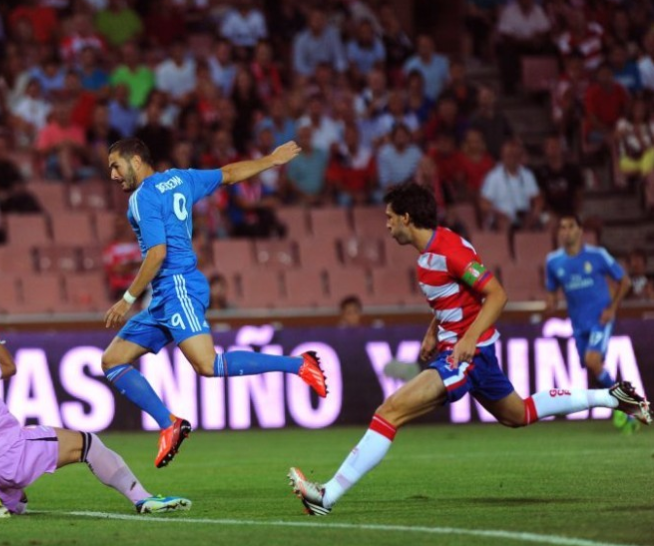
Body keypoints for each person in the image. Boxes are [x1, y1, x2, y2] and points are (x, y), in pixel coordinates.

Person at [287, 183, 650, 516]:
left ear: (407, 218)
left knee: (390, 411)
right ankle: (611, 397)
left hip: (467, 356)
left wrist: (468, 339)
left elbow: (498, 295)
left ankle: (327, 495)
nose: (387, 225)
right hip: (467, 352)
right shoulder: (430, 254)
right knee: (518, 414)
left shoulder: (448, 250)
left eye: (389, 217)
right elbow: (456, 297)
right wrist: (434, 329)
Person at [101, 137, 327, 468]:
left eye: (115, 166)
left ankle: (300, 365)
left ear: (136, 160)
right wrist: (270, 160)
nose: (112, 175)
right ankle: (169, 424)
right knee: (113, 360)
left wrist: (127, 298)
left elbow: (157, 253)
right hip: (170, 293)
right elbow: (229, 174)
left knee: (208, 365)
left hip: (177, 287)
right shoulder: (181, 178)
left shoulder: (142, 198)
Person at [0, 302, 191, 519]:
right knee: (88, 443)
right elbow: (8, 367)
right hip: (4, 457)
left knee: (19, 500)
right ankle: (143, 499)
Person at [545, 215, 630, 391]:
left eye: (570, 226)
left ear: (580, 231)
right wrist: (550, 303)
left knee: (593, 360)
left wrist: (612, 309)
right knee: (590, 366)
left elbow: (624, 281)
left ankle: (628, 405)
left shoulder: (597, 255)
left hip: (601, 318)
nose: (566, 231)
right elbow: (552, 290)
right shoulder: (553, 261)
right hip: (577, 322)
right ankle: (618, 404)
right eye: (562, 227)